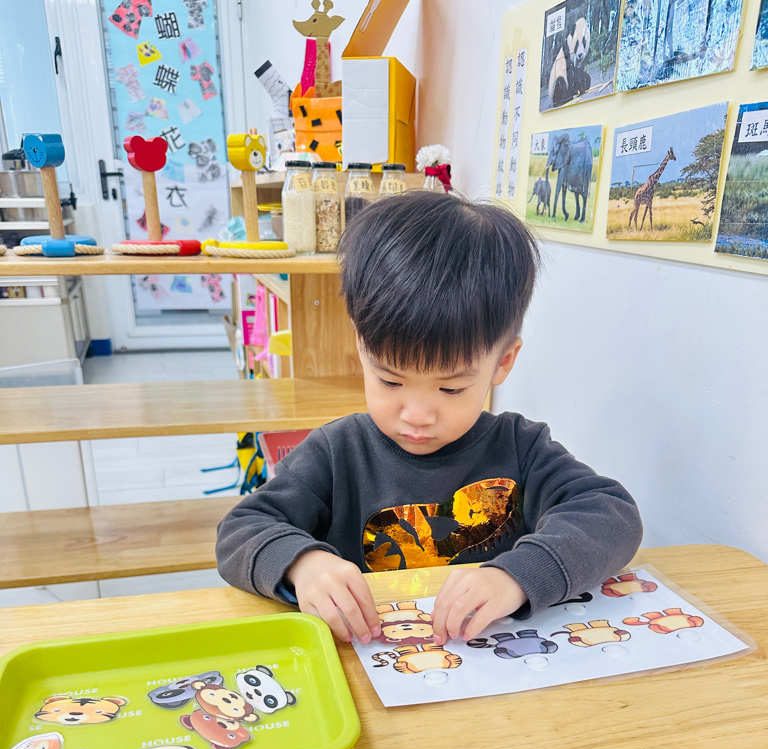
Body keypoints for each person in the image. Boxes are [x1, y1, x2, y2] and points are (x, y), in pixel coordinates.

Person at [216, 190, 642, 647]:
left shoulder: (521, 448)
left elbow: (611, 514)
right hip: (371, 663)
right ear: (361, 346)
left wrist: (517, 576)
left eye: (451, 389)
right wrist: (303, 564)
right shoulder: (336, 453)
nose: (416, 416)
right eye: (390, 381)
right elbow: (240, 530)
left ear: (503, 362)